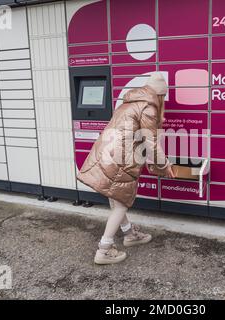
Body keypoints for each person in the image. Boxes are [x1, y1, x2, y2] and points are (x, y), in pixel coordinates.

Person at [77, 73, 175, 265]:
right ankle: (104, 249)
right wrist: (165, 165)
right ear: (161, 94)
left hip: (106, 154)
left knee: (116, 198)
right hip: (122, 160)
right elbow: (151, 143)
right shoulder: (148, 108)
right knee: (121, 203)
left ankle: (129, 234)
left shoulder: (129, 102)